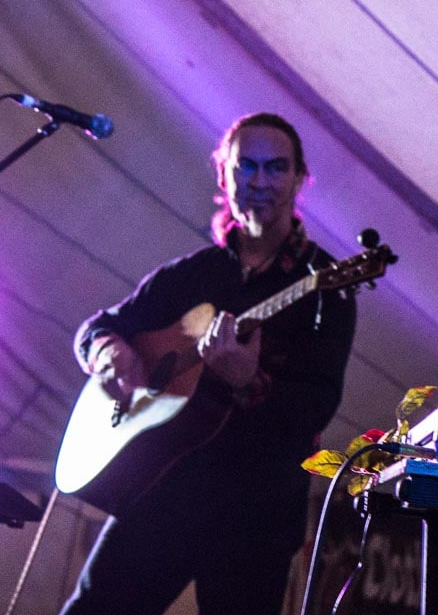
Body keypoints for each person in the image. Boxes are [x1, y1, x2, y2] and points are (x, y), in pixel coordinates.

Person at [61, 113, 357, 615]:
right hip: (161, 493)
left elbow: (316, 407)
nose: (260, 181)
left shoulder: (327, 287)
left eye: (276, 167)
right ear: (224, 174)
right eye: (247, 166)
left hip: (255, 516)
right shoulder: (190, 274)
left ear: (298, 179)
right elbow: (100, 326)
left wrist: (249, 381)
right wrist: (107, 351)